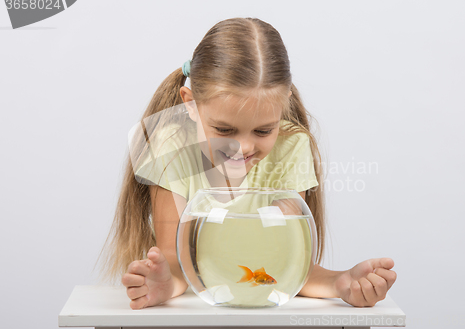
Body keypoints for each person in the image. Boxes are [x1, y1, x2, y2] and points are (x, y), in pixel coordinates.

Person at [96, 17, 396, 310]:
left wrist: (341, 282)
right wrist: (165, 284)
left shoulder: (292, 147)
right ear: (190, 104)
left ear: (284, 104)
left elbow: (285, 265)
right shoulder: (170, 146)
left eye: (264, 130)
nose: (243, 148)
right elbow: (174, 260)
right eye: (224, 130)